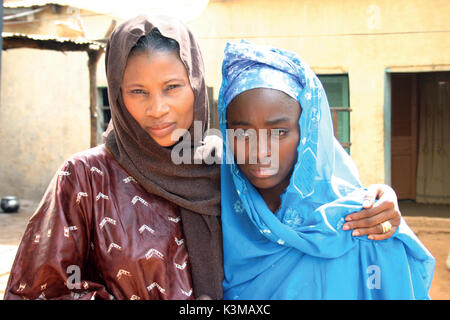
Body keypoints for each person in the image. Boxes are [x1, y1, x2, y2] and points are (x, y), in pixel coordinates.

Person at [5, 15, 402, 300]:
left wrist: (377, 198)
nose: (157, 109)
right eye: (137, 91)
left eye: (172, 86)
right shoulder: (85, 179)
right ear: (117, 94)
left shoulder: (229, 161)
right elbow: (38, 290)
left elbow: (313, 189)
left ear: (196, 84)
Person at [218, 40, 435, 299]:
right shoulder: (216, 213)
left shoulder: (365, 225)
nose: (259, 151)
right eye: (242, 133)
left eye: (279, 132)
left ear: (308, 133)